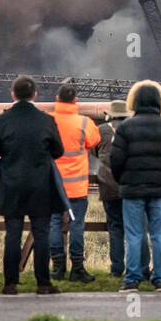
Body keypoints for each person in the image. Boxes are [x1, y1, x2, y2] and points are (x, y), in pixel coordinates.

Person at [0, 75, 66, 295]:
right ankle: (43, 283)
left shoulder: (1, 121)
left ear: (13, 94)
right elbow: (59, 150)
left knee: (12, 234)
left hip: (11, 185)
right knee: (41, 233)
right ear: (35, 95)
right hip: (41, 185)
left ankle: (10, 283)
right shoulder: (46, 120)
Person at [110, 80, 161, 292]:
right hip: (159, 190)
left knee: (134, 234)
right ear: (159, 102)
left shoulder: (125, 128)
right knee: (158, 235)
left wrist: (123, 180)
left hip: (132, 189)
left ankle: (132, 279)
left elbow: (116, 160)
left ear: (134, 102)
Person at [49, 83, 100, 283]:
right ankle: (77, 268)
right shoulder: (84, 122)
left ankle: (58, 267)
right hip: (77, 186)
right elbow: (94, 140)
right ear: (75, 101)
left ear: (56, 99)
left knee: (54, 223)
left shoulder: (49, 121)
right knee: (77, 225)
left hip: (54, 184)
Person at [96, 99, 148, 279]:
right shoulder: (135, 129)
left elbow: (96, 153)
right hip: (131, 184)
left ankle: (116, 268)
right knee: (137, 229)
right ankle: (143, 268)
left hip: (109, 186)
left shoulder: (101, 130)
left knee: (115, 227)